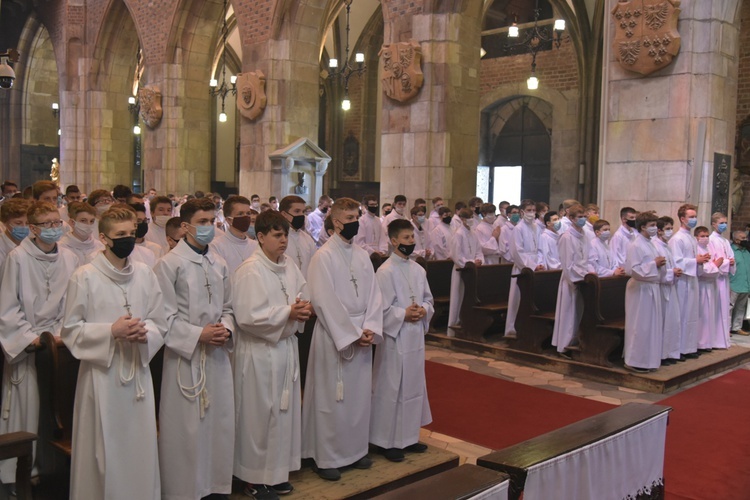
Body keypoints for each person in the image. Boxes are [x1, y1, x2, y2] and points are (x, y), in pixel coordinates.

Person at [60, 206, 166, 500]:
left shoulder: (145, 274)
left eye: (131, 234)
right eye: (121, 235)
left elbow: (160, 320)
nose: (128, 240)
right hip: (102, 378)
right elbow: (70, 330)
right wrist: (110, 332)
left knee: (140, 447)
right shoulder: (85, 277)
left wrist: (146, 334)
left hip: (138, 376)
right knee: (104, 452)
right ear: (104, 238)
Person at [154, 198, 235, 499]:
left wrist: (225, 328)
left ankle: (214, 485)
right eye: (202, 222)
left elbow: (228, 307)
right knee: (186, 429)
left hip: (215, 354)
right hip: (184, 358)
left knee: (219, 422)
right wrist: (197, 334)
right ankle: (184, 490)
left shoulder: (219, 263)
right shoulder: (169, 264)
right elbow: (162, 316)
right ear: (185, 226)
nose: (208, 227)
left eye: (212, 221)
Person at [301, 197, 383, 482]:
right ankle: (326, 457)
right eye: (349, 219)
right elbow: (323, 300)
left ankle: (355, 450)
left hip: (361, 333)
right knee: (331, 398)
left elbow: (374, 294)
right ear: (336, 223)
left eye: (356, 217)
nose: (355, 223)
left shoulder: (361, 255)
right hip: (335, 337)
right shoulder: (322, 256)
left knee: (358, 397)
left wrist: (371, 325)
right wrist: (350, 333)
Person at [232, 211, 313, 500]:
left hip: (285, 348)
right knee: (258, 416)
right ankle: (253, 478)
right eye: (277, 235)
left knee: (283, 413)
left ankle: (276, 473)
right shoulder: (250, 270)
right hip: (259, 352)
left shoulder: (289, 265)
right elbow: (247, 317)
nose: (283, 241)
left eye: (286, 235)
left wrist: (302, 308)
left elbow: (302, 294)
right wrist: (289, 312)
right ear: (261, 237)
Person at [0, 201, 77, 487]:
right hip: (30, 346)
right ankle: (22, 473)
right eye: (47, 225)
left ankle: (52, 468)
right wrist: (30, 338)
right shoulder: (17, 258)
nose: (55, 229)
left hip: (61, 345)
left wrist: (61, 334)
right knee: (29, 406)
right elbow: (7, 308)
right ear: (32, 229)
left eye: (58, 223)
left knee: (57, 407)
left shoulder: (69, 257)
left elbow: (73, 302)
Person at [370, 219, 433, 462]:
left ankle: (408, 437)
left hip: (415, 335)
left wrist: (424, 310)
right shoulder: (385, 271)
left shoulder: (418, 270)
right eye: (405, 238)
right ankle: (387, 441)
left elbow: (428, 299)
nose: (411, 242)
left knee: (413, 386)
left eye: (412, 238)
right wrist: (403, 314)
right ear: (394, 241)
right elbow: (381, 308)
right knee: (392, 387)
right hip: (395, 337)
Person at [623, 212, 666, 372]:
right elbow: (632, 269)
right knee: (639, 326)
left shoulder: (650, 243)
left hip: (651, 288)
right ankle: (634, 360)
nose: (655, 228)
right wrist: (654, 264)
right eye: (652, 225)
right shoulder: (636, 245)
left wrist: (659, 265)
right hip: (640, 289)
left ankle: (648, 360)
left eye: (655, 225)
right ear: (642, 227)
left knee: (650, 326)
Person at [669, 204, 707, 360]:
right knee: (682, 314)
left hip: (692, 280)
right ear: (682, 219)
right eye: (691, 217)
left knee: (692, 314)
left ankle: (690, 347)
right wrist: (695, 261)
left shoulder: (691, 238)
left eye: (695, 216)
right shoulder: (677, 239)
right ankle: (679, 349)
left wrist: (700, 261)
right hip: (682, 281)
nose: (694, 219)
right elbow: (676, 261)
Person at [551, 204, 589, 357]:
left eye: (584, 216)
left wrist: (587, 273)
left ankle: (576, 341)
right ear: (572, 219)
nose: (583, 219)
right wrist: (579, 277)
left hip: (583, 278)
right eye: (580, 217)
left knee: (578, 312)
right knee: (569, 313)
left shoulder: (583, 234)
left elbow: (586, 257)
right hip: (571, 281)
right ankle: (564, 345)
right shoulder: (567, 237)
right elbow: (567, 263)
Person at [507, 200, 544, 337]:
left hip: (536, 267)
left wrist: (540, 263)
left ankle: (531, 328)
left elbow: (541, 248)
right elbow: (517, 251)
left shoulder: (536, 227)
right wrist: (531, 266)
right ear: (522, 212)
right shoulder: (518, 228)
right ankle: (514, 328)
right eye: (529, 210)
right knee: (518, 299)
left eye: (534, 210)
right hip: (523, 269)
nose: (532, 213)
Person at [447, 208, 483, 336]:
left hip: (472, 270)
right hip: (461, 270)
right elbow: (456, 256)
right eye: (468, 218)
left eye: (472, 218)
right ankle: (454, 325)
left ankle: (466, 321)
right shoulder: (458, 234)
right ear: (462, 220)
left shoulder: (473, 233)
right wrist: (470, 263)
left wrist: (479, 260)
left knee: (468, 296)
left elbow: (479, 250)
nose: (471, 220)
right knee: (458, 296)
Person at [654, 216, 682, 365]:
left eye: (671, 228)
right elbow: (657, 271)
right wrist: (672, 273)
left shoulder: (667, 246)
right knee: (662, 322)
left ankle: (668, 352)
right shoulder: (656, 246)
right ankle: (660, 354)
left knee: (671, 321)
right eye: (667, 229)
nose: (670, 231)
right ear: (659, 231)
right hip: (660, 288)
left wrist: (675, 271)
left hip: (669, 287)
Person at [211, 195, 258, 275]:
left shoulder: (256, 246)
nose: (245, 217)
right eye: (240, 214)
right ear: (229, 220)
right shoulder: (216, 246)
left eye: (248, 213)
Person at [708, 212, 735, 348]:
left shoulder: (725, 241)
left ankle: (722, 339)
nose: (724, 225)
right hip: (716, 278)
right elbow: (713, 260)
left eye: (725, 222)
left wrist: (731, 262)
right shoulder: (711, 240)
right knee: (716, 308)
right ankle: (715, 340)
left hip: (724, 279)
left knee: (724, 309)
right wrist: (726, 262)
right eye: (721, 223)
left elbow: (730, 257)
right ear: (714, 224)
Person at [695, 226, 722, 352]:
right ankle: (699, 343)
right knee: (701, 315)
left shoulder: (708, 248)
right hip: (701, 285)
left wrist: (714, 265)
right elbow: (702, 270)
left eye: (706, 236)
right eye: (702, 236)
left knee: (709, 314)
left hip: (710, 285)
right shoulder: (696, 249)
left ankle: (707, 342)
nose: (705, 238)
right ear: (696, 237)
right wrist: (715, 265)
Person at [280, 195, 317, 278]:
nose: (301, 215)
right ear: (284, 214)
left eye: (303, 212)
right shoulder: (278, 239)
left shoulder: (307, 239)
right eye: (297, 211)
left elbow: (315, 266)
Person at [729, 230, 750, 336]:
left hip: (745, 284)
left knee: (741, 307)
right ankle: (726, 328)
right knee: (729, 307)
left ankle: (737, 327)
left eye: (745, 237)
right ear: (736, 240)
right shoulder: (731, 251)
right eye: (743, 238)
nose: (745, 240)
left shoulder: (746, 252)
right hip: (733, 284)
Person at [0, 199, 31, 265]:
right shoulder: (1, 246)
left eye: (27, 223)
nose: (24, 226)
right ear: (5, 222)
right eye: (18, 223)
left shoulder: (32, 241)